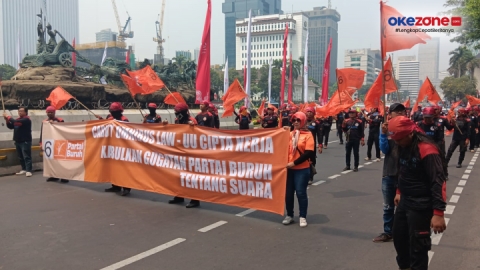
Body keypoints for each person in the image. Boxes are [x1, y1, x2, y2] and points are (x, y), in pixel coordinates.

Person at [388, 116, 447, 270]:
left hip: (421, 205)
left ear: (410, 134)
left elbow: (438, 181)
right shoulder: (402, 146)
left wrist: (438, 213)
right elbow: (403, 170)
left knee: (418, 248)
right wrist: (399, 191)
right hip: (405, 201)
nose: (397, 142)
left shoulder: (427, 149)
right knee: (399, 240)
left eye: (399, 139)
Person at [373, 103, 405, 243]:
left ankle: (403, 232)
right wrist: (383, 134)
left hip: (405, 174)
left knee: (404, 206)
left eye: (400, 111)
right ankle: (388, 232)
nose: (398, 113)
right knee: (388, 206)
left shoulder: (410, 128)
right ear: (389, 114)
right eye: (395, 111)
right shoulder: (387, 129)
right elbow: (384, 150)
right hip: (389, 173)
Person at [165, 103, 201, 208]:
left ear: (183, 112)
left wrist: (192, 127)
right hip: (179, 152)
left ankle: (195, 199)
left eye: (178, 113)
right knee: (178, 176)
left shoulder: (192, 121)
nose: (176, 115)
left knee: (191, 177)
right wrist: (166, 126)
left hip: (190, 153)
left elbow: (197, 136)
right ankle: (179, 196)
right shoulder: (177, 121)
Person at [283, 111, 315, 228]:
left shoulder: (308, 135)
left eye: (298, 120)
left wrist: (294, 163)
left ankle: (302, 216)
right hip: (289, 169)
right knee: (288, 194)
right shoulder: (289, 134)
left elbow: (308, 153)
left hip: (302, 169)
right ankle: (289, 215)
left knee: (301, 193)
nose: (296, 122)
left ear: (303, 121)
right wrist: (282, 131)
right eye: (294, 120)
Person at [96, 102, 131, 196]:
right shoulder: (109, 117)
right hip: (112, 146)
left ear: (119, 111)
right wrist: (102, 120)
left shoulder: (124, 120)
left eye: (114, 112)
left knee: (123, 169)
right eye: (111, 111)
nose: (112, 113)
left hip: (122, 147)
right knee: (113, 167)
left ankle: (126, 188)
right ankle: (115, 186)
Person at [40, 106, 68, 183]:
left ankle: (64, 177)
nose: (50, 113)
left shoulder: (60, 120)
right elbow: (42, 133)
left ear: (54, 112)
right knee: (51, 161)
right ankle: (53, 176)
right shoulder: (44, 122)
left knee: (61, 161)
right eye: (48, 112)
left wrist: (55, 123)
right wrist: (41, 143)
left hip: (59, 143)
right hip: (49, 144)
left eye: (51, 112)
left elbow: (63, 129)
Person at [3, 106, 33, 177]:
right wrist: (7, 120)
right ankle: (24, 169)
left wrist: (8, 116)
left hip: (25, 141)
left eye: (22, 111)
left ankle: (29, 170)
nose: (20, 112)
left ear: (26, 112)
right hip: (18, 141)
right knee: (21, 156)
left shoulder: (26, 120)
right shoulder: (18, 120)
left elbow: (16, 122)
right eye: (19, 111)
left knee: (26, 156)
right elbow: (11, 126)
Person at [433, 105, 454, 179]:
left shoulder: (443, 119)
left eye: (436, 109)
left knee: (442, 158)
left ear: (439, 110)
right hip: (429, 142)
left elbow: (449, 127)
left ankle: (445, 174)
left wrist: (453, 122)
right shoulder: (428, 119)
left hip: (440, 142)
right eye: (434, 109)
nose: (435, 111)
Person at [304, 107, 323, 185]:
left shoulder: (317, 123)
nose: (309, 113)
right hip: (302, 144)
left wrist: (320, 145)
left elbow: (320, 135)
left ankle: (310, 177)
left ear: (313, 113)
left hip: (311, 145)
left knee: (311, 161)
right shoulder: (302, 121)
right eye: (307, 112)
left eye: (310, 112)